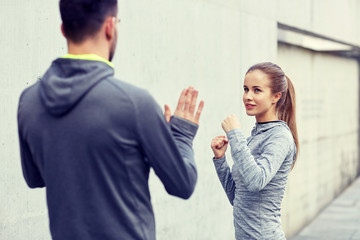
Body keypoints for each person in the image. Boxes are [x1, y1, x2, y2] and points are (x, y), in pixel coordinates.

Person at [17, 1, 204, 239]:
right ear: (109, 26)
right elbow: (183, 184)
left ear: (63, 29)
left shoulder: (29, 101)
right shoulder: (135, 103)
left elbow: (34, 178)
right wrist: (181, 135)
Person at [211, 62, 298, 239]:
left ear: (276, 96)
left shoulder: (280, 137)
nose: (247, 96)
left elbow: (256, 181)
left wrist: (235, 135)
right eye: (245, 89)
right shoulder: (253, 139)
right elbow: (237, 198)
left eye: (257, 90)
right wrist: (220, 160)